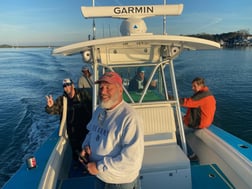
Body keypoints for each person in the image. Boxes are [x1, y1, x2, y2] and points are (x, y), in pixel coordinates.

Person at [79, 72, 144, 189]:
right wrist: (86, 146)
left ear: (120, 91)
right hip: (100, 177)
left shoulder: (129, 118)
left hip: (119, 183)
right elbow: (91, 132)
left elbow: (132, 160)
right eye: (101, 88)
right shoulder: (99, 110)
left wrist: (98, 167)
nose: (103, 91)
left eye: (108, 88)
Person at [45, 78, 92, 161]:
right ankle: (77, 165)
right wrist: (50, 106)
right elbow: (55, 110)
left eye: (68, 85)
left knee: (87, 148)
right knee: (75, 150)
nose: (66, 87)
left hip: (85, 127)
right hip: (71, 130)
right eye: (64, 86)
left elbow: (91, 107)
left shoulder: (83, 94)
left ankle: (88, 165)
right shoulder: (62, 99)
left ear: (73, 85)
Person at [179, 77, 216, 160]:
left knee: (178, 134)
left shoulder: (201, 96)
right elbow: (195, 108)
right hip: (207, 122)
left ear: (201, 85)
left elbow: (188, 102)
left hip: (200, 124)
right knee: (181, 125)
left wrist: (172, 99)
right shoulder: (208, 93)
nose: (192, 88)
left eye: (194, 86)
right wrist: (185, 118)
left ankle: (190, 155)